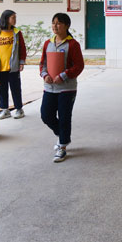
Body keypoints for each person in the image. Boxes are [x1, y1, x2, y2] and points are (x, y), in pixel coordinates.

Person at [39, 13, 84, 163]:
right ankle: (62, 135)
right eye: (53, 23)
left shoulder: (73, 44)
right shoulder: (48, 43)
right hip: (49, 87)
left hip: (67, 88)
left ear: (67, 25)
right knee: (46, 115)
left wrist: (63, 76)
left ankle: (62, 146)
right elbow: (42, 63)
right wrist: (44, 75)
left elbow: (79, 66)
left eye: (58, 23)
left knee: (64, 117)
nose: (55, 26)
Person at [0, 10, 27, 120]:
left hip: (13, 67)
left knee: (16, 88)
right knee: (2, 89)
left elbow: (22, 48)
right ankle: (5, 110)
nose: (15, 20)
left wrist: (21, 62)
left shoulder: (17, 33)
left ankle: (19, 109)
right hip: (0, 67)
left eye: (15, 17)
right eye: (13, 17)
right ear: (6, 18)